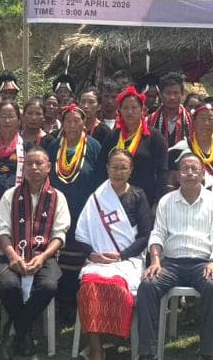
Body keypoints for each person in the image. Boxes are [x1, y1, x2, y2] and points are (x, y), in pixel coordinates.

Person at [136, 153, 213, 360]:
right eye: (185, 169)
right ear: (178, 176)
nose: (190, 173)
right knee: (148, 285)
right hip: (171, 264)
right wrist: (155, 260)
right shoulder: (166, 201)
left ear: (203, 174)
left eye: (195, 169)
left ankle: (207, 351)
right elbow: (157, 233)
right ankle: (147, 352)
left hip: (203, 263)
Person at [75, 149, 153, 360]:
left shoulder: (138, 196)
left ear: (131, 170)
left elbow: (145, 235)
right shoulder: (96, 198)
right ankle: (96, 347)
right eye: (114, 167)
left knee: (117, 288)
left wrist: (122, 255)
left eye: (123, 168)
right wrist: (92, 255)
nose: (118, 172)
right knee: (89, 287)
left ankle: (113, 339)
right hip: (98, 260)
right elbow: (81, 233)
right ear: (107, 169)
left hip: (128, 260)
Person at [0, 146, 69, 358]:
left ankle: (15, 331)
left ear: (49, 167)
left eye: (39, 163)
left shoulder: (58, 197)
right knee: (7, 284)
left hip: (44, 255)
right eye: (29, 163)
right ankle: (25, 334)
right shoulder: (10, 195)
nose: (34, 167)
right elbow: (2, 231)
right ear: (23, 167)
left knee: (48, 285)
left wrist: (42, 257)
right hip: (12, 253)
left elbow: (59, 235)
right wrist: (12, 256)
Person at [45, 104, 103, 288]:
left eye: (76, 121)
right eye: (68, 121)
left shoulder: (93, 146)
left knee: (80, 249)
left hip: (83, 208)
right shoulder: (54, 146)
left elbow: (100, 178)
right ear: (62, 123)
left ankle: (76, 292)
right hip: (58, 208)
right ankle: (58, 292)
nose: (72, 125)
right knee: (59, 249)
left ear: (84, 123)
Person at [106, 86, 168, 204]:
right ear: (120, 110)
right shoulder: (112, 136)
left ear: (142, 110)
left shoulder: (154, 137)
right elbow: (101, 169)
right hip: (113, 198)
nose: (130, 112)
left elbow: (162, 173)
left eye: (134, 107)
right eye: (125, 108)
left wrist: (157, 203)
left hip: (145, 199)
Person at [146, 72, 191, 150]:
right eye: (168, 93)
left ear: (182, 94)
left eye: (176, 93)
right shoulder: (148, 121)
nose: (172, 97)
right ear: (160, 95)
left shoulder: (191, 120)